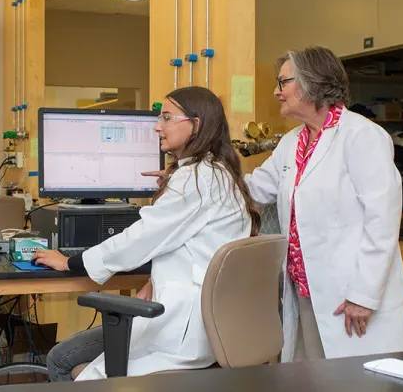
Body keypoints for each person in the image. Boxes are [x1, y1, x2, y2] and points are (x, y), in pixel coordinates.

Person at [32, 86, 261, 381]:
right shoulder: (216, 172)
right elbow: (191, 240)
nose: (157, 127)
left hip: (181, 328)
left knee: (61, 359)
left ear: (196, 125)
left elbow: (140, 238)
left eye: (166, 118)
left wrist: (70, 262)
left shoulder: (194, 179)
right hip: (212, 321)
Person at [244, 46, 403, 361]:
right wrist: (197, 178)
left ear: (312, 82)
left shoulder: (362, 136)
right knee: (314, 379)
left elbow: (382, 221)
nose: (276, 92)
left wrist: (363, 295)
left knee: (361, 381)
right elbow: (254, 189)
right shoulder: (292, 142)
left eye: (283, 82)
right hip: (307, 291)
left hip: (351, 295)